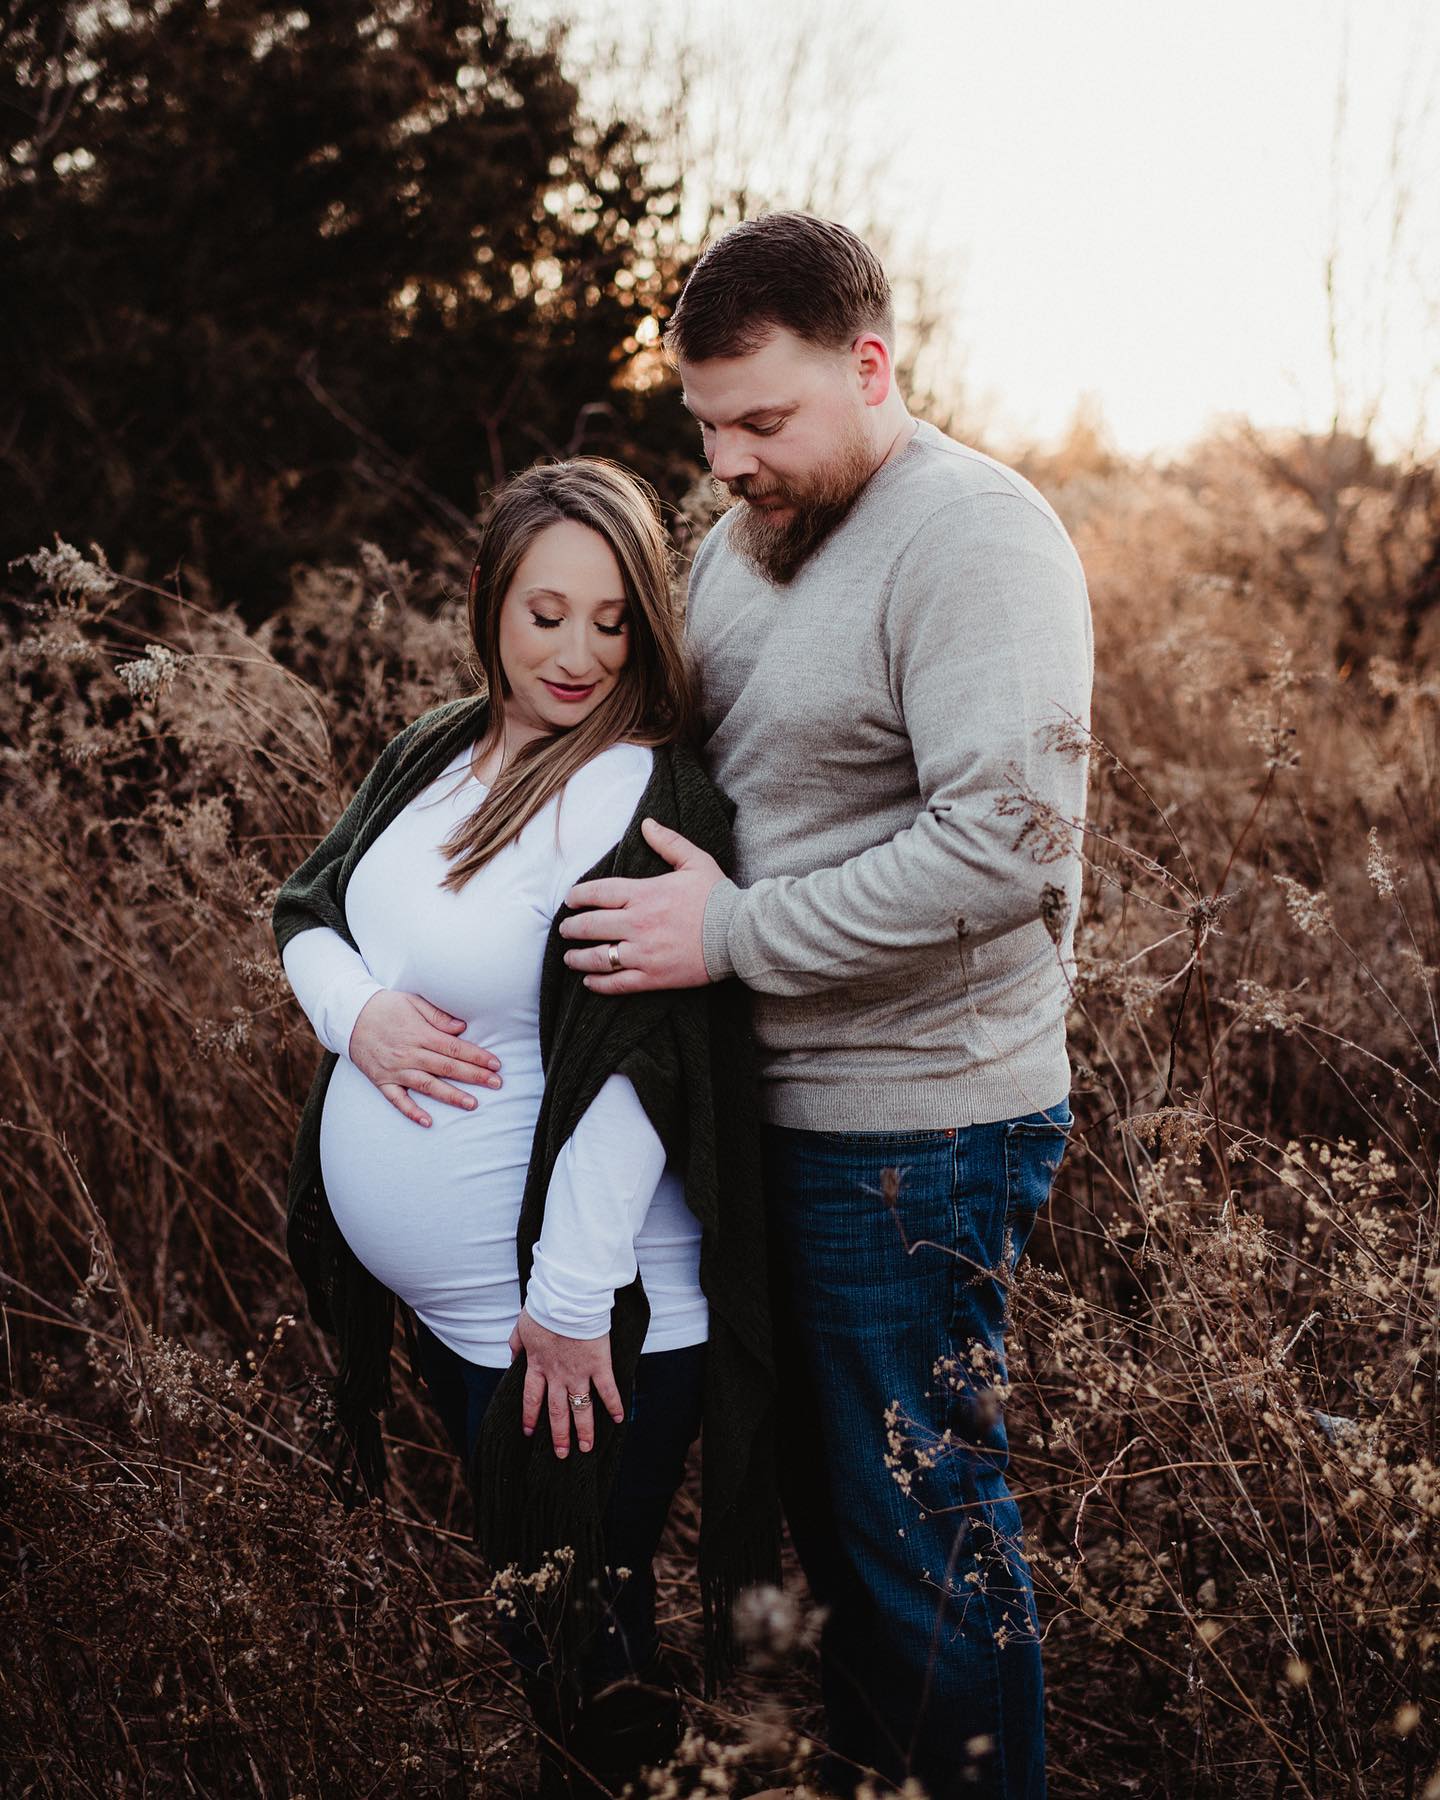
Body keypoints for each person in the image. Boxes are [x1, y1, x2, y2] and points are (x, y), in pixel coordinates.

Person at [556, 215, 1093, 1800]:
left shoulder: (972, 538)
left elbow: (1010, 840)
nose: (727, 459)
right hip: (773, 1124)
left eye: (763, 419)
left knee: (913, 1536)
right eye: (704, 425)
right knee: (842, 1544)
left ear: (870, 367)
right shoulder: (748, 538)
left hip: (916, 1129)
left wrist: (731, 937)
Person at [270, 458, 778, 1798]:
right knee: (547, 1636)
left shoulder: (638, 796)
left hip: (581, 1323)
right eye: (548, 612)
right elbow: (307, 910)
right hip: (472, 1321)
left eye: (614, 620)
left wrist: (564, 1304)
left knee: (587, 1671)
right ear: (493, 604)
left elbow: (638, 1072)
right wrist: (359, 1015)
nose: (578, 652)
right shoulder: (440, 747)